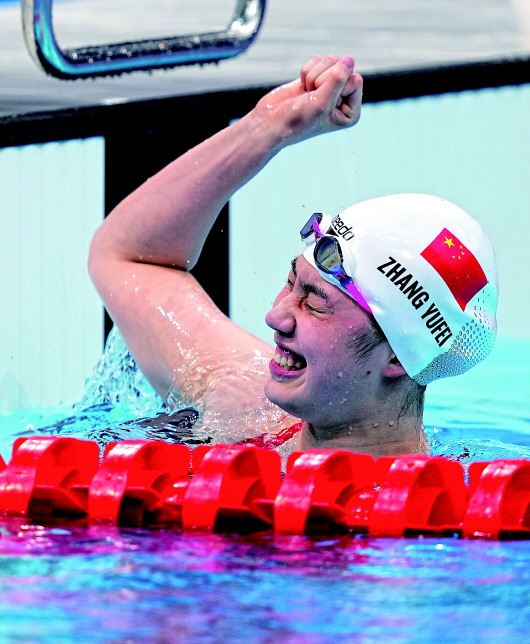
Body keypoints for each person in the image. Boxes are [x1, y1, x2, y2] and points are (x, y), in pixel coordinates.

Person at [88, 55, 498, 458]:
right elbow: (131, 259)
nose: (275, 317)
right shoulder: (246, 407)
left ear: (396, 354)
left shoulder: (456, 497)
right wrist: (267, 128)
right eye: (291, 284)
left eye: (315, 304)